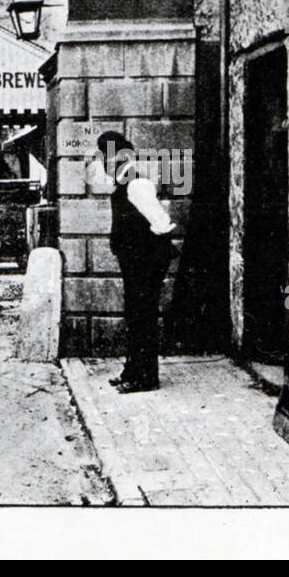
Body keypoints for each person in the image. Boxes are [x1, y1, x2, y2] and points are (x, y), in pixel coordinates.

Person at [88, 131, 176, 393]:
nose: (103, 163)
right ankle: (133, 370)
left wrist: (145, 250)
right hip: (137, 262)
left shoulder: (137, 185)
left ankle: (146, 378)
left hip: (145, 262)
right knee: (135, 315)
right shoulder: (125, 183)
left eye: (105, 157)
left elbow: (162, 224)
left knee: (142, 317)